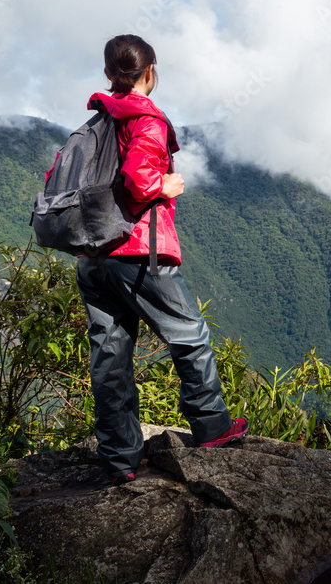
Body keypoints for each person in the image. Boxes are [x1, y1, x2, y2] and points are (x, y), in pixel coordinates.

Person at [76, 34, 247, 485]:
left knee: (110, 355)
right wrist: (165, 186)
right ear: (149, 72)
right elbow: (137, 180)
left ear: (110, 74)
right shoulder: (146, 116)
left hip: (92, 251)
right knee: (188, 332)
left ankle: (119, 461)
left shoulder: (99, 119)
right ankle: (211, 427)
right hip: (136, 250)